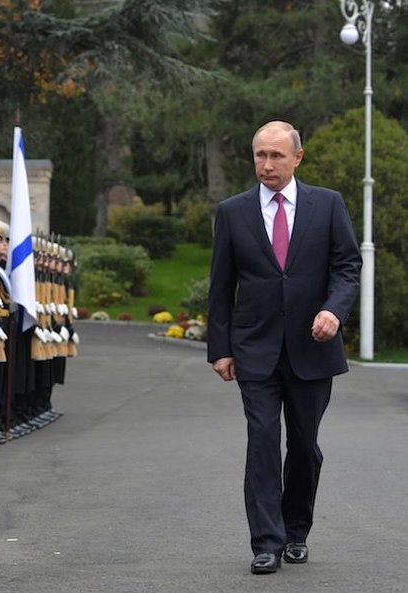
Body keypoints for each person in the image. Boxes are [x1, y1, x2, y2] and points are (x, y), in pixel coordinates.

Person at [207, 120, 361, 575]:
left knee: (305, 446)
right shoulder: (232, 212)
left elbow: (347, 266)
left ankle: (296, 532)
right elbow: (222, 285)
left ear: (298, 158)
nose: (267, 164)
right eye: (260, 155)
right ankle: (267, 542)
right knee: (262, 441)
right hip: (254, 349)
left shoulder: (327, 205)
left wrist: (334, 311)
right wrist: (220, 347)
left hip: (313, 350)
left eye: (276, 155)